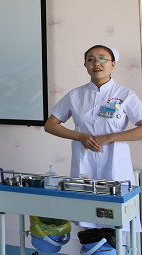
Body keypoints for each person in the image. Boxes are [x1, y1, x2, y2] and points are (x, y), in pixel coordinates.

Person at [44, 45, 142, 189]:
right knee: (83, 201)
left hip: (115, 168)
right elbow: (50, 125)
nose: (96, 63)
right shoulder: (75, 95)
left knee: (116, 201)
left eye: (102, 59)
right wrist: (80, 137)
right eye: (91, 59)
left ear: (113, 64)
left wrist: (109, 138)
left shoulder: (126, 95)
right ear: (85, 65)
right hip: (84, 165)